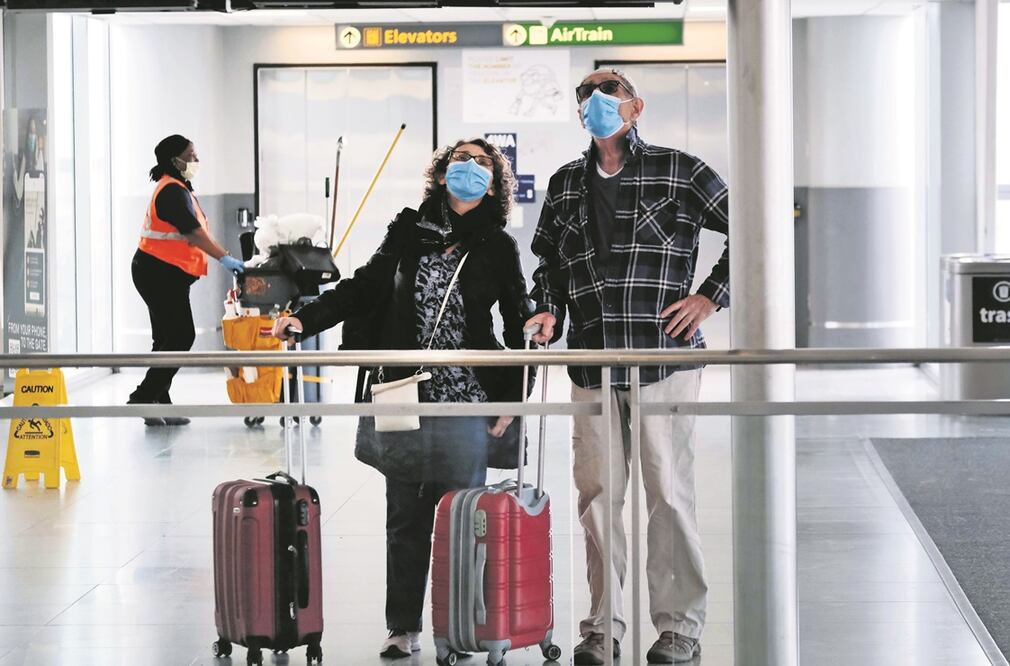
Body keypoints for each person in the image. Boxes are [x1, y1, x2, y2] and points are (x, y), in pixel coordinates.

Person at [272, 138, 533, 660]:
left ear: (494, 181)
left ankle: (458, 626)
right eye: (461, 159)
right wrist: (306, 320)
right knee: (405, 517)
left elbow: (516, 318)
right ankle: (402, 625)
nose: (470, 167)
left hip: (465, 395)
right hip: (403, 391)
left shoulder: (497, 246)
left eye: (482, 162)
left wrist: (515, 395)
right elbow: (363, 288)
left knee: (462, 517)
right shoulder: (406, 231)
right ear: (441, 175)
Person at [525, 68, 730, 665]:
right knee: (597, 498)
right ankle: (601, 627)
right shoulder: (566, 184)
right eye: (586, 93)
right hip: (592, 361)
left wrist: (711, 295)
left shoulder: (681, 170)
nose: (595, 100)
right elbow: (549, 267)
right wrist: (545, 312)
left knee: (668, 494)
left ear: (635, 107)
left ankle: (678, 629)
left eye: (608, 91)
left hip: (662, 358)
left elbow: (756, 226)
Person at [128, 135, 245, 426]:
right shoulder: (171, 191)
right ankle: (143, 396)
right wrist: (225, 258)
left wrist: (221, 254)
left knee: (165, 339)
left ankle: (158, 405)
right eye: (191, 155)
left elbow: (194, 232)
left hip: (160, 272)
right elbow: (194, 233)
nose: (195, 160)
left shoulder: (177, 188)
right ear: (174, 160)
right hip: (158, 274)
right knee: (181, 336)